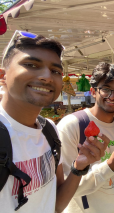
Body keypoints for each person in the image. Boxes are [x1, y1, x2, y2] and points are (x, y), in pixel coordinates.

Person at [0, 31, 107, 213]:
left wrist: (78, 168)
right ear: (2, 76)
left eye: (55, 71)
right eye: (31, 65)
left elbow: (56, 204)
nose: (47, 77)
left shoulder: (49, 131)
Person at [57, 62, 114, 213]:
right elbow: (66, 189)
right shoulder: (71, 126)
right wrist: (110, 165)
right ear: (93, 91)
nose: (113, 96)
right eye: (106, 89)